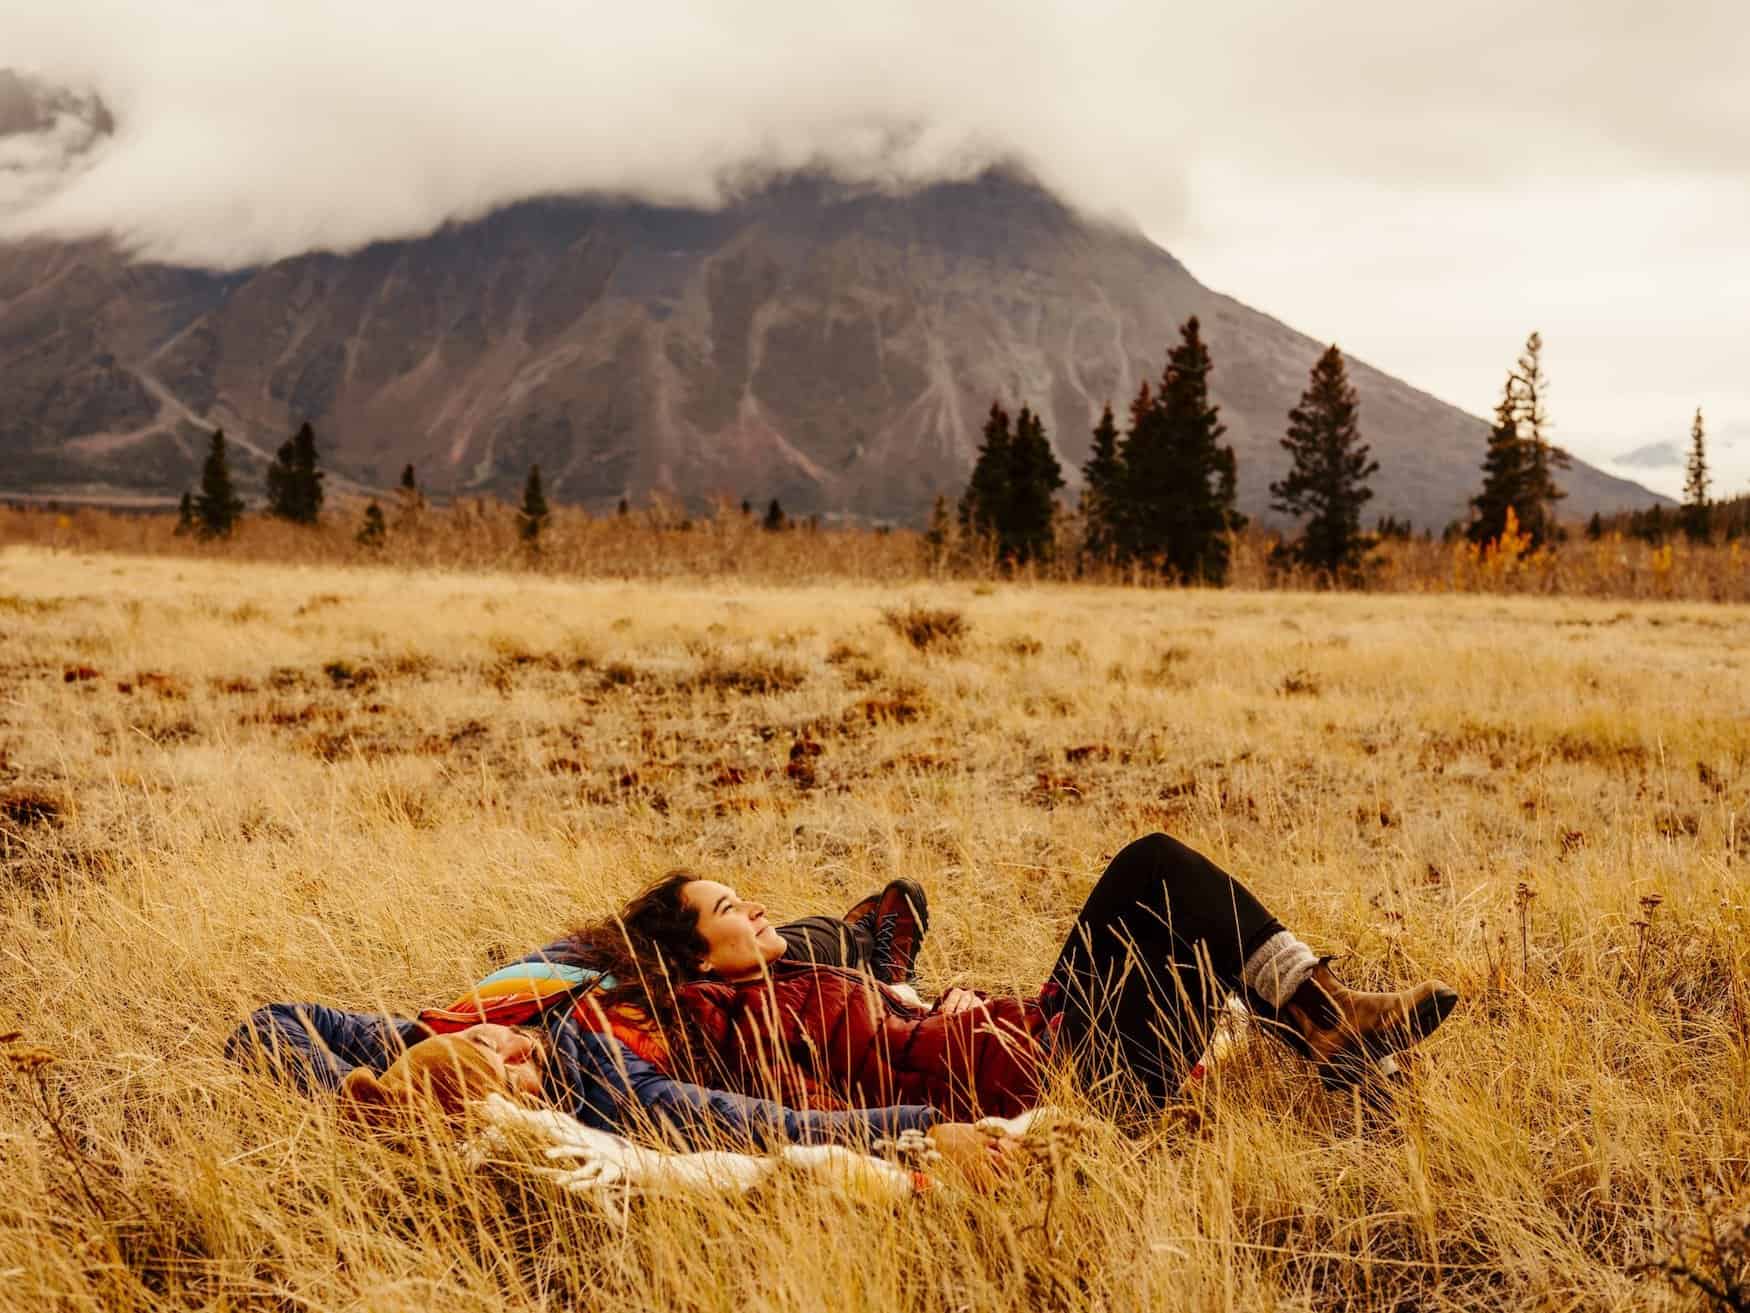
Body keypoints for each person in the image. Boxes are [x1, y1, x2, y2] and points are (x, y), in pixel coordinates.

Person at [562, 833, 1459, 1123]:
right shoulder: (723, 1021)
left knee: (1180, 918)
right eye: (729, 909)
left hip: (1043, 1039)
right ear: (691, 953)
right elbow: (812, 1114)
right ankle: (1325, 1018)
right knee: (1153, 870)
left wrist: (918, 1006)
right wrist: (939, 1105)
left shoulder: (780, 977)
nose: (754, 911)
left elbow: (877, 945)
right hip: (1061, 1076)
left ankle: (1327, 1028)